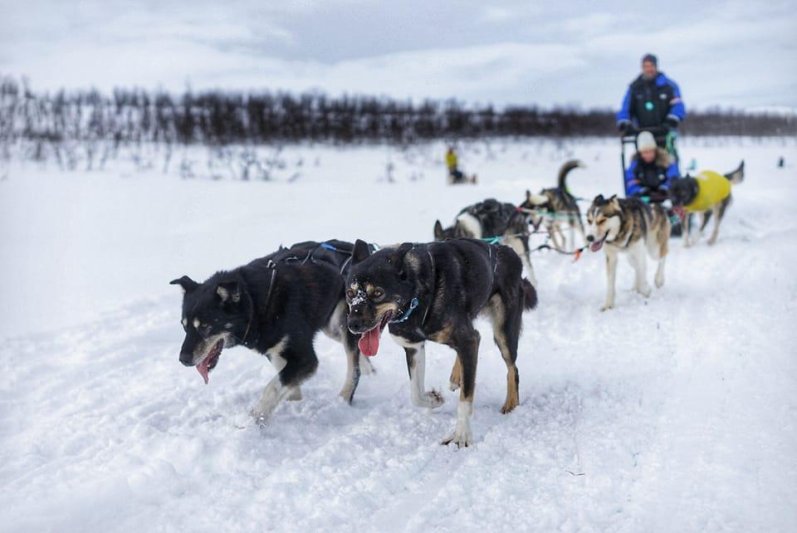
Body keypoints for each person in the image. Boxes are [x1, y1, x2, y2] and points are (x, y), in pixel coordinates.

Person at [616, 54, 685, 135]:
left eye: (651, 66)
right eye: (646, 66)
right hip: (641, 131)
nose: (649, 69)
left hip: (666, 130)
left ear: (656, 66)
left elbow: (678, 104)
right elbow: (626, 107)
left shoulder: (669, 86)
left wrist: (674, 117)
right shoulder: (634, 87)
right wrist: (624, 121)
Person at [625, 131, 679, 202]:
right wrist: (640, 191)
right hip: (643, 199)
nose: (648, 155)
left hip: (665, 197)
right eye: (645, 152)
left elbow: (673, 177)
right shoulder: (635, 165)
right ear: (640, 153)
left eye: (650, 151)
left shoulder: (666, 161)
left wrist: (665, 187)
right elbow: (630, 182)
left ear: (655, 150)